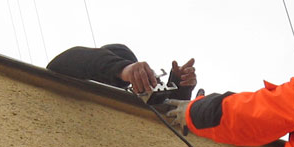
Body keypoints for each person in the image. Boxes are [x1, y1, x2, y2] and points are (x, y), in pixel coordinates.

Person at [46, 44, 196, 99]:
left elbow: (171, 117)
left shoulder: (136, 97)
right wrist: (122, 69)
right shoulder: (77, 70)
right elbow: (60, 63)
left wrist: (179, 86)